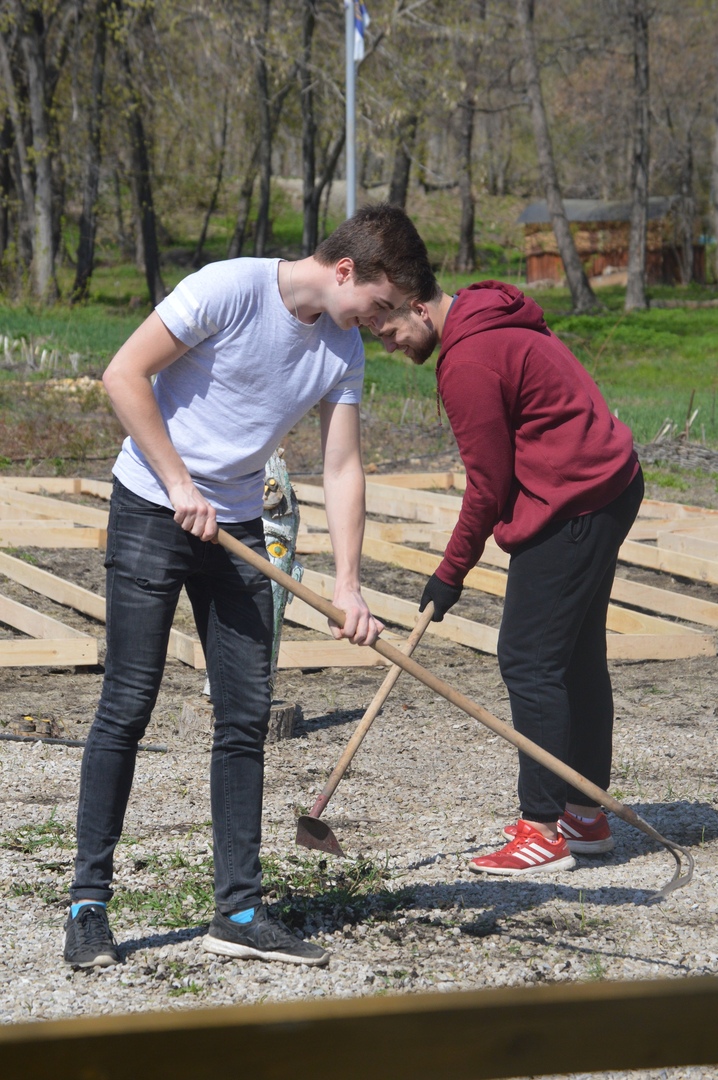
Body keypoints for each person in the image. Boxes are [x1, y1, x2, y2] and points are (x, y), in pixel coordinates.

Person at [64, 204, 436, 969]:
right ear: (344, 271)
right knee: (128, 702)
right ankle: (88, 905)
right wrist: (178, 483)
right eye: (382, 304)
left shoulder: (342, 352)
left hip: (235, 529)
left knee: (243, 717)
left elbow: (341, 468)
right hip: (151, 505)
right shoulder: (226, 289)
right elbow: (123, 375)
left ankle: (236, 909)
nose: (383, 321)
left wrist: (350, 585)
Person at [375, 278, 643, 876]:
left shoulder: (468, 360)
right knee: (574, 657)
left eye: (388, 328)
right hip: (609, 482)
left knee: (529, 658)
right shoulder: (487, 314)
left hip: (575, 498)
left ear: (418, 306)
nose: (388, 343)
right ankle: (585, 813)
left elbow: (488, 487)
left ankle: (543, 831)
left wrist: (450, 574)